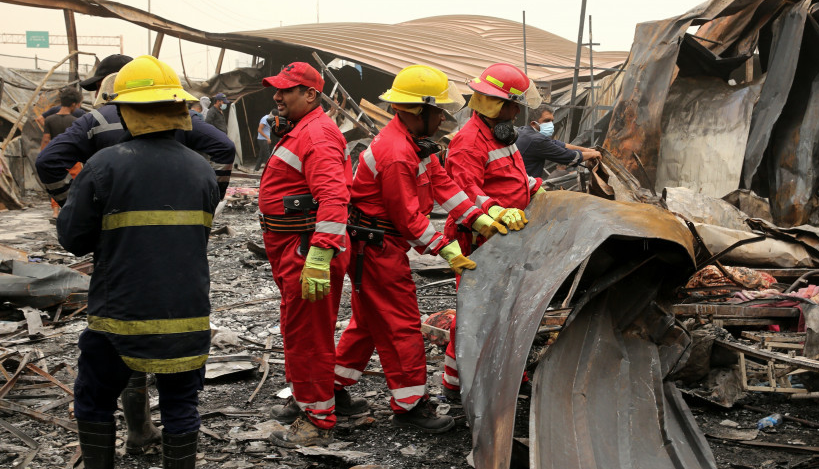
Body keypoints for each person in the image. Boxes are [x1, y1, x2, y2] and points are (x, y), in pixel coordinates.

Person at [57, 55, 218, 469]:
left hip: (119, 317)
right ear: (178, 108)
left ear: (125, 110)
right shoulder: (203, 170)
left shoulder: (103, 165)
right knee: (181, 404)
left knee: (93, 399)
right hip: (187, 316)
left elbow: (73, 239)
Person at [334, 64, 508, 433]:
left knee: (367, 323)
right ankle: (411, 406)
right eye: (439, 111)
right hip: (377, 248)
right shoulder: (397, 153)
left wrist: (481, 218)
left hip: (375, 245)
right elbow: (407, 218)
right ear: (420, 111)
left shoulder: (415, 143)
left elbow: (445, 185)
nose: (444, 118)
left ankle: (332, 386)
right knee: (401, 326)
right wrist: (448, 251)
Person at [258, 62, 356, 447]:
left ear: (311, 94)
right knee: (298, 329)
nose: (277, 97)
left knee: (309, 334)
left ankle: (319, 418)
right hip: (292, 247)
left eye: (286, 91)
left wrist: (320, 254)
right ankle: (306, 398)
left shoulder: (315, 135)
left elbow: (334, 197)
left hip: (306, 250)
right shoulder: (301, 130)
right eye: (276, 90)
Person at [440, 63, 543, 399]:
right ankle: (455, 386)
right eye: (513, 106)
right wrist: (496, 210)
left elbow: (513, 178)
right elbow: (465, 192)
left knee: (509, 309)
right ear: (499, 105)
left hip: (508, 237)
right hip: (480, 240)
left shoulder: (500, 134)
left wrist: (536, 190)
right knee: (475, 311)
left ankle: (511, 374)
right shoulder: (469, 142)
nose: (516, 113)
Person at [36, 55, 235, 209]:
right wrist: (208, 204)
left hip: (117, 238)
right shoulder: (182, 117)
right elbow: (224, 147)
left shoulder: (94, 121)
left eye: (99, 87)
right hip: (178, 228)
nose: (98, 95)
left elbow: (47, 161)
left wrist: (77, 206)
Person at [515, 104, 601, 178]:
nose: (550, 124)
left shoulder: (523, 131)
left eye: (552, 121)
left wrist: (587, 150)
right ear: (533, 123)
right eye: (547, 121)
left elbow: (558, 144)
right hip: (522, 187)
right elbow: (570, 158)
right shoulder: (537, 140)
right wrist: (593, 154)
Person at [41, 86, 84, 219]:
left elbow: (46, 139)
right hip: (73, 159)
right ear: (73, 104)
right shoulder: (75, 121)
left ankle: (55, 212)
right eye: (77, 104)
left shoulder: (49, 120)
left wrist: (43, 154)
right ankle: (76, 209)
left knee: (56, 185)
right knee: (76, 185)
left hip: (55, 158)